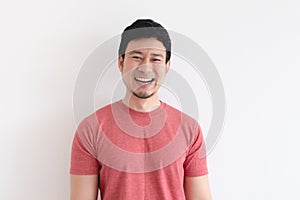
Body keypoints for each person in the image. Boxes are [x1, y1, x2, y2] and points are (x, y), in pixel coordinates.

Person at [70, 19, 212, 200]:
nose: (145, 67)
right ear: (121, 63)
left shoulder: (189, 129)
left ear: (167, 66)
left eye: (156, 59)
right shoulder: (90, 129)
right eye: (136, 57)